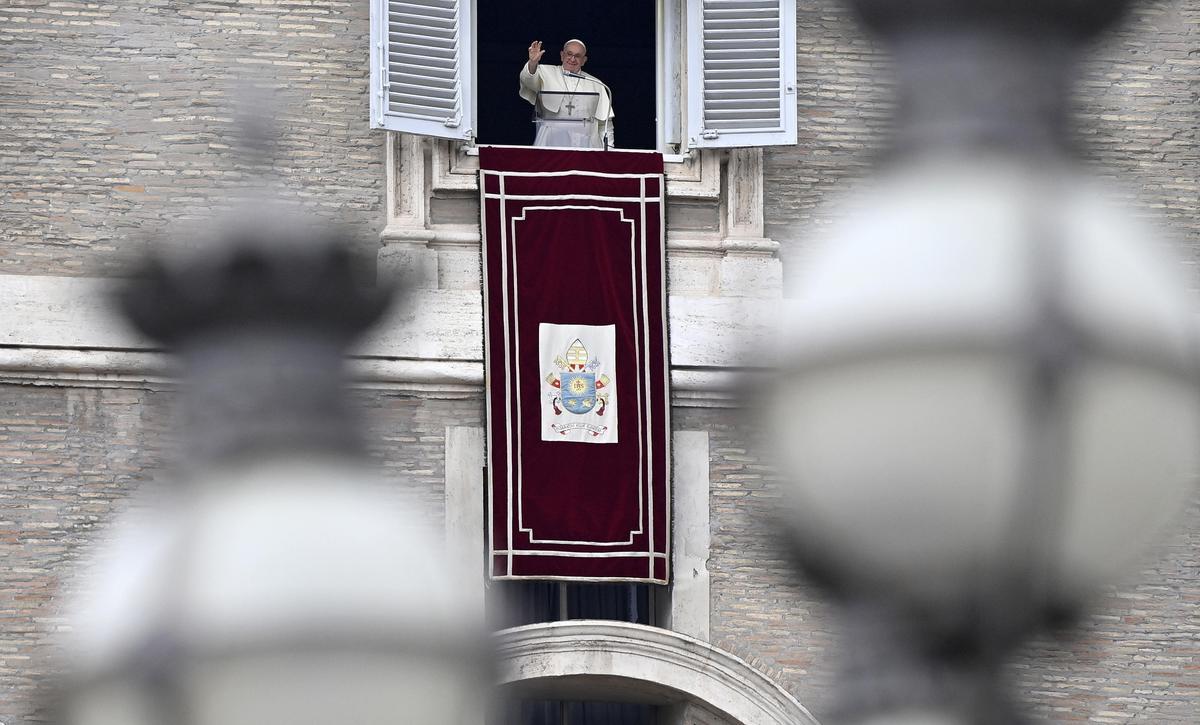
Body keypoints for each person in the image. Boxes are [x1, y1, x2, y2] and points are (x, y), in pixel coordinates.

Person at [519, 39, 614, 149]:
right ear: (562, 55)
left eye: (577, 56)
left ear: (584, 60)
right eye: (569, 54)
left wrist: (609, 149)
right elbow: (528, 81)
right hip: (551, 143)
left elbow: (605, 123)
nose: (572, 59)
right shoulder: (545, 72)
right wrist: (533, 63)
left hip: (587, 146)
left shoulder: (596, 84)